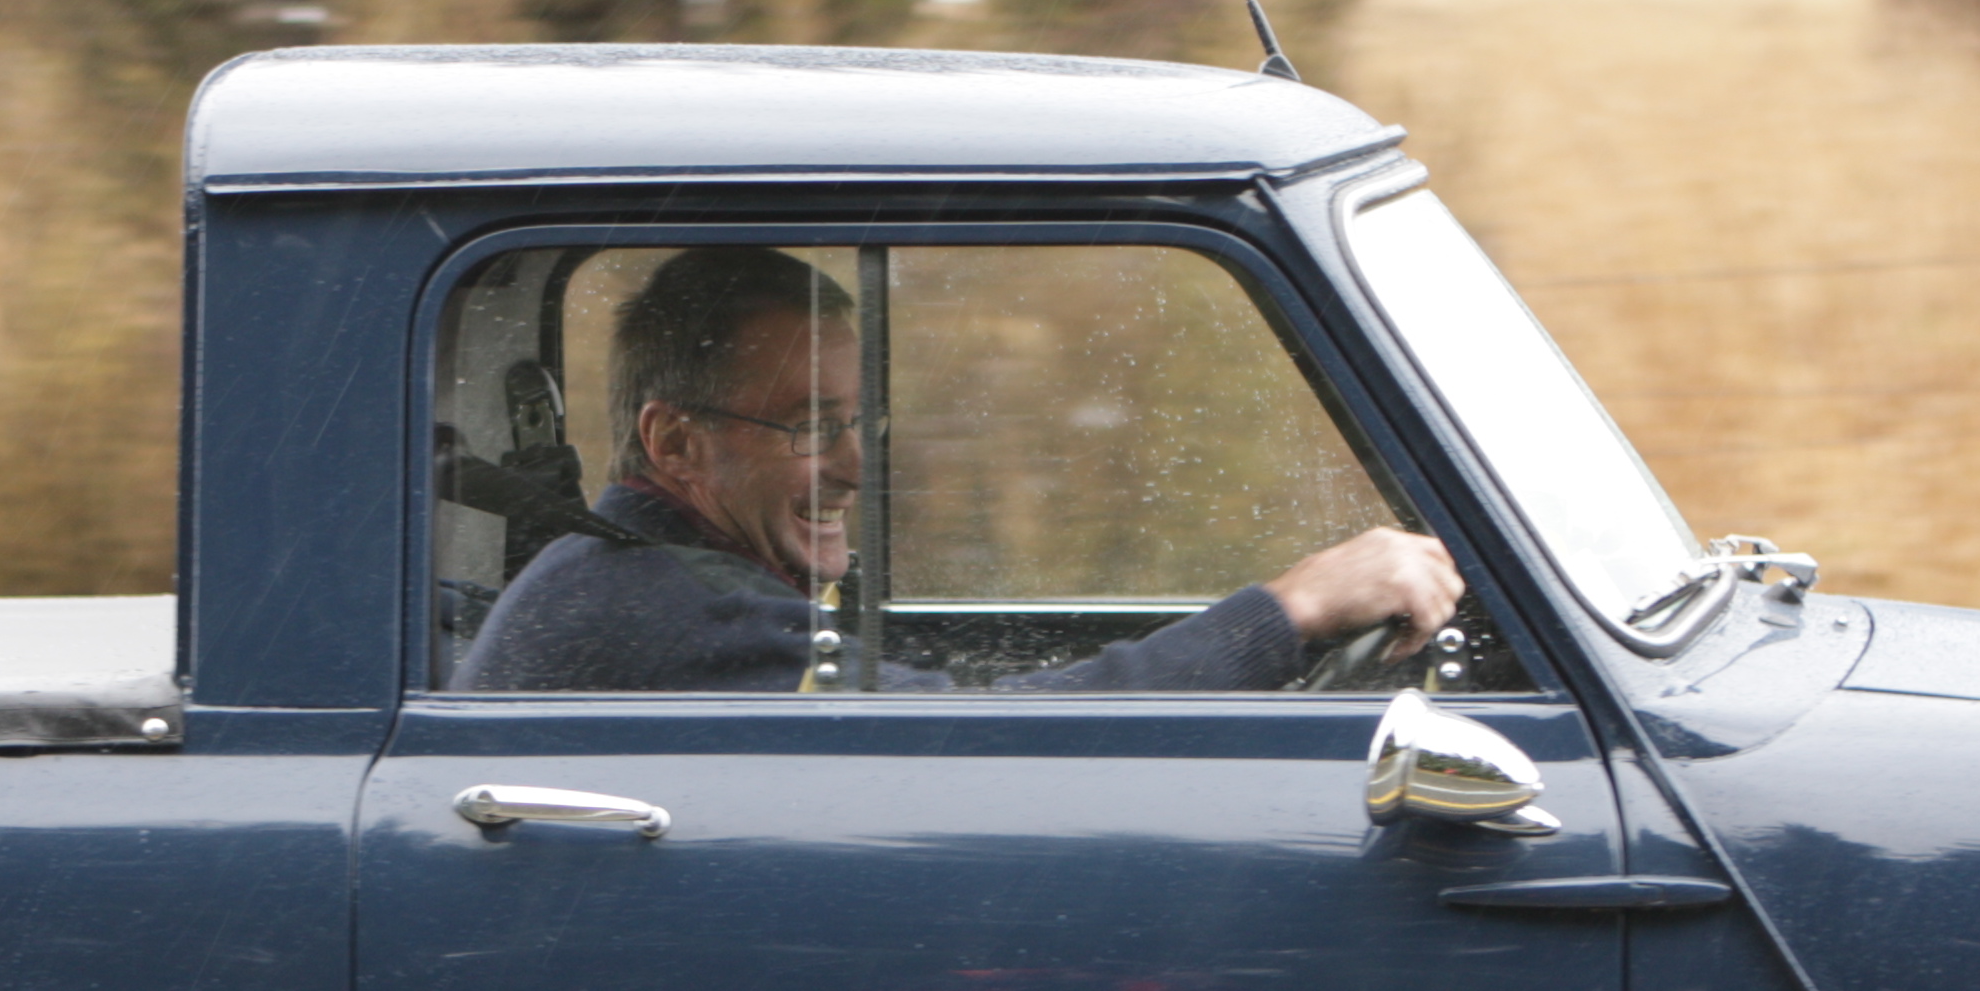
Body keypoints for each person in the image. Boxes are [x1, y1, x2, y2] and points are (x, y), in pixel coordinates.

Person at [456, 245, 1460, 694]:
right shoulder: (680, 609)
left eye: (858, 421)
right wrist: (1286, 614)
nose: (855, 466)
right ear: (676, 444)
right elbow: (981, 752)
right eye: (810, 425)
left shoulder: (658, 575)